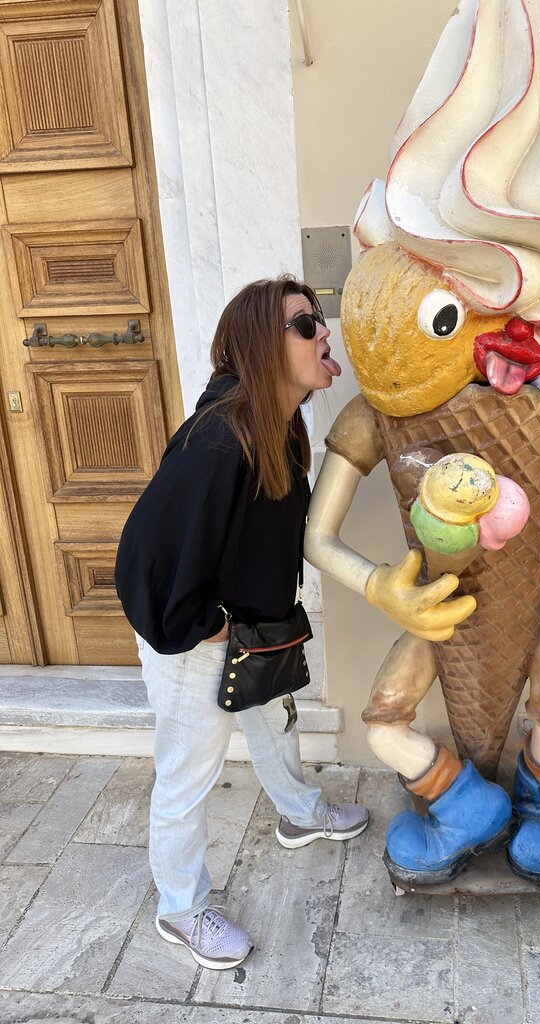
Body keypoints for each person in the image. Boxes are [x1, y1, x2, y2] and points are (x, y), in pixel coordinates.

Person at [115, 277, 368, 971]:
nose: (324, 332)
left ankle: (299, 813)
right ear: (262, 345)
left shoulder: (278, 427)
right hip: (202, 640)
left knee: (276, 724)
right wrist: (207, 627)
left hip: (258, 629)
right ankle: (180, 908)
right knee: (187, 775)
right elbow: (145, 554)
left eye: (319, 319)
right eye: (305, 325)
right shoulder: (219, 441)